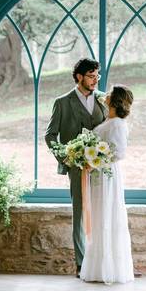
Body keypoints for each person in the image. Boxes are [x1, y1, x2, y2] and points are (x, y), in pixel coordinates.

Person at [45, 58, 106, 277]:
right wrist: (64, 157)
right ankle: (81, 264)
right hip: (76, 168)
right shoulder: (62, 102)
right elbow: (50, 135)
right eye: (91, 76)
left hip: (101, 167)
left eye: (97, 75)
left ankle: (102, 260)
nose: (95, 80)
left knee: (102, 211)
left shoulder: (103, 100)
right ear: (79, 76)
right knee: (80, 214)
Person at [80, 85, 135, 285]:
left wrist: (94, 161)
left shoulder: (118, 124)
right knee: (98, 216)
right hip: (98, 175)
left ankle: (110, 269)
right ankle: (97, 268)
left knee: (107, 215)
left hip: (107, 176)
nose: (107, 94)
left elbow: (119, 153)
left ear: (116, 100)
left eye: (111, 92)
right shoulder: (109, 121)